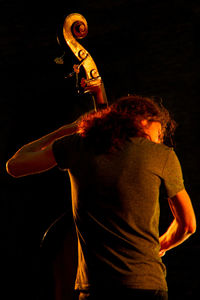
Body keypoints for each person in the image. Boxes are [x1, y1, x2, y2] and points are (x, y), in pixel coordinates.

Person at [6, 95, 196, 300]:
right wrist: (161, 245)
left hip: (95, 288)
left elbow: (15, 166)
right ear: (142, 122)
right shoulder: (162, 155)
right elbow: (187, 225)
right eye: (157, 133)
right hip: (147, 285)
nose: (158, 140)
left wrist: (66, 130)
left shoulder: (77, 145)